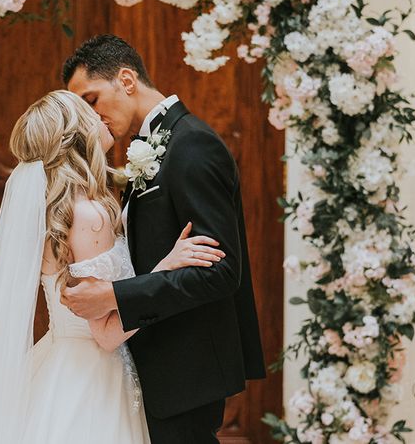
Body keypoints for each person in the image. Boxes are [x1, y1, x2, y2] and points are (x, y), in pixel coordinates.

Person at [0, 90, 224, 444]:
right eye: (90, 114)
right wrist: (167, 266)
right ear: (77, 135)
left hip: (62, 363)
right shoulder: (88, 215)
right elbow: (106, 335)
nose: (100, 117)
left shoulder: (59, 211)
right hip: (94, 379)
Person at [61, 35, 266, 444]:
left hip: (185, 365)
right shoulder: (154, 144)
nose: (89, 116)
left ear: (126, 80)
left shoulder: (192, 143)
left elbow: (222, 272)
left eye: (92, 99)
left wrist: (116, 296)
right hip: (157, 364)